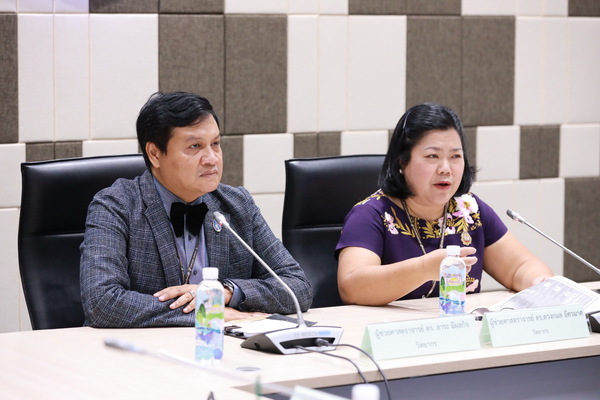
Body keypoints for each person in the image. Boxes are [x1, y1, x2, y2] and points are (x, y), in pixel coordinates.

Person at [80, 91, 312, 327]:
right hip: (143, 347)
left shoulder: (237, 204)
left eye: (215, 144)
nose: (211, 159)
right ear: (155, 154)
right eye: (195, 146)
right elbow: (101, 302)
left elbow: (297, 287)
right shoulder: (116, 206)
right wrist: (207, 311)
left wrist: (226, 291)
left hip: (226, 344)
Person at [336, 102, 553, 306]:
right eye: (432, 156)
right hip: (391, 330)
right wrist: (423, 269)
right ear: (402, 161)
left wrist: (539, 282)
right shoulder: (371, 214)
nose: (446, 169)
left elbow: (520, 267)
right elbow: (352, 287)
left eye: (456, 156)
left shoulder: (469, 210)